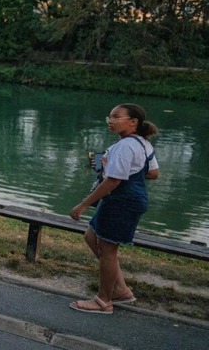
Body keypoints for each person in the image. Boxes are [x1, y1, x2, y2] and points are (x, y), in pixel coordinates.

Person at [67, 104, 159, 314]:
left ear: (133, 122)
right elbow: (153, 173)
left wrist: (84, 204)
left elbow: (113, 180)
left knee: (108, 251)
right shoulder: (141, 143)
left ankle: (103, 301)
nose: (110, 120)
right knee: (92, 236)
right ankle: (121, 291)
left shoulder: (126, 146)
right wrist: (110, 167)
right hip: (126, 199)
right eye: (109, 116)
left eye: (116, 116)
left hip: (122, 202)